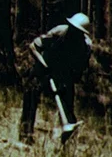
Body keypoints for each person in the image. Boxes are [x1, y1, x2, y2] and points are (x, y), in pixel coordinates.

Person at [19, 12, 92, 145]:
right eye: (72, 28)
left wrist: (67, 79)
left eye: (77, 31)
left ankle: (68, 143)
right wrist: (44, 66)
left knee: (67, 105)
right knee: (31, 92)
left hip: (64, 72)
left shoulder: (85, 46)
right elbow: (33, 47)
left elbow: (80, 68)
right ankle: (25, 136)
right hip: (44, 64)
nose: (73, 33)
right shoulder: (59, 32)